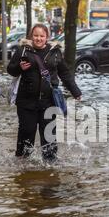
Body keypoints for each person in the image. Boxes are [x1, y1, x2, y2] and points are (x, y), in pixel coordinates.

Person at [7, 23, 82, 162]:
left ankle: (50, 163)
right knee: (26, 132)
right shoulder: (23, 50)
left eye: (42, 36)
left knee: (49, 134)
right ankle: (22, 161)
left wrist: (75, 91)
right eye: (36, 35)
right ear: (31, 36)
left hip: (49, 101)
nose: (38, 38)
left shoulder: (55, 52)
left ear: (47, 37)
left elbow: (64, 73)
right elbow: (10, 70)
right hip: (26, 101)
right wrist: (19, 67)